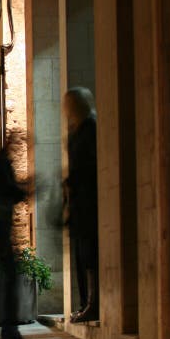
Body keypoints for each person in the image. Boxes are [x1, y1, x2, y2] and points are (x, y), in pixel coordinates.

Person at [0, 147, 30, 339]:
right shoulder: (2, 167)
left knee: (4, 279)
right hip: (0, 229)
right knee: (9, 279)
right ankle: (8, 331)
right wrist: (25, 190)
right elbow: (10, 192)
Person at [64, 87, 99, 323]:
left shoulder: (90, 128)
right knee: (80, 253)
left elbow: (88, 165)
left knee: (90, 254)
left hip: (88, 201)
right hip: (79, 203)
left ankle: (93, 304)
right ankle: (85, 302)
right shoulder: (76, 131)